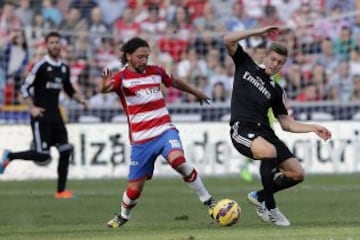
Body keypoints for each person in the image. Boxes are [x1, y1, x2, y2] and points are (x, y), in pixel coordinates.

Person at [99, 37, 216, 228]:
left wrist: (197, 93)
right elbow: (106, 88)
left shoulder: (156, 72)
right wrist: (103, 84)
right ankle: (123, 216)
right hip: (141, 141)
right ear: (128, 56)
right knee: (134, 190)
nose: (144, 61)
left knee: (178, 161)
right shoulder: (122, 78)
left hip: (164, 131)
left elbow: (175, 82)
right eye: (140, 57)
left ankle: (209, 201)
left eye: (146, 56)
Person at [223, 26, 332, 226]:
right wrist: (258, 32)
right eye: (273, 59)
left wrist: (313, 127)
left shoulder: (276, 90)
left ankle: (259, 195)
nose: (275, 64)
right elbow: (228, 38)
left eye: (280, 63)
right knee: (270, 151)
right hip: (243, 129)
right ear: (265, 56)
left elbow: (287, 124)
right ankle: (271, 207)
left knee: (297, 173)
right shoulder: (246, 65)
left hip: (265, 132)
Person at [0, 31, 88, 199]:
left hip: (56, 116)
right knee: (43, 155)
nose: (55, 45)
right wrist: (31, 108)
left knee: (65, 150)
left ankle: (61, 192)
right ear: (47, 45)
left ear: (61, 45)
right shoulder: (40, 65)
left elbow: (68, 89)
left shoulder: (63, 67)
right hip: (41, 117)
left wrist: (81, 100)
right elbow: (24, 87)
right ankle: (9, 156)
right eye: (52, 42)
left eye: (57, 42)